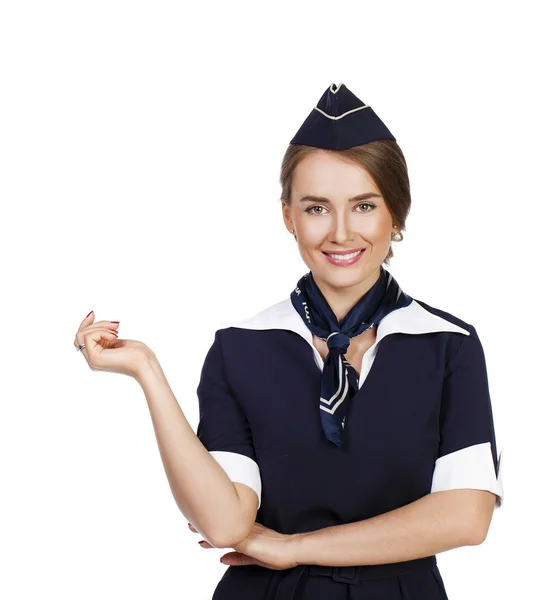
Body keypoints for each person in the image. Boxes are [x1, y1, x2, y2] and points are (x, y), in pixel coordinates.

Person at [73, 82, 504, 600]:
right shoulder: (240, 347)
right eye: (317, 208)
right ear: (288, 217)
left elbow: (466, 516)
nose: (341, 233)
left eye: (364, 205)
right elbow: (227, 524)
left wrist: (296, 547)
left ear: (396, 214)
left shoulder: (447, 344)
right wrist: (147, 372)